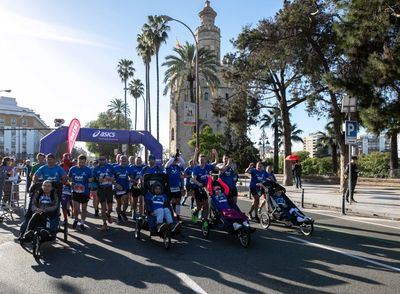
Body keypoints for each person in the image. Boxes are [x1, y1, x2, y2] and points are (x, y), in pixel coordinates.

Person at [191, 148, 218, 223]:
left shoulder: (208, 166)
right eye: (201, 160)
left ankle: (204, 220)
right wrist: (199, 184)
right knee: (199, 206)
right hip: (198, 188)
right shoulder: (196, 168)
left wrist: (215, 154)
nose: (202, 161)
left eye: (203, 160)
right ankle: (195, 212)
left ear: (206, 160)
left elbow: (216, 162)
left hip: (206, 188)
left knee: (206, 205)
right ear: (198, 160)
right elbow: (193, 179)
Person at [68, 154, 93, 231]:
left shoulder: (88, 169)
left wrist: (90, 180)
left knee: (84, 209)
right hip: (75, 191)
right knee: (76, 209)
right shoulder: (72, 169)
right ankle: (76, 219)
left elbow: (91, 179)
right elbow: (69, 178)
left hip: (85, 192)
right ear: (77, 161)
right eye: (80, 162)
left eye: (83, 162)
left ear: (85, 162)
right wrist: (70, 183)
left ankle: (82, 223)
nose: (81, 164)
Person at [92, 156, 115, 231]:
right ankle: (104, 223)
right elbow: (93, 178)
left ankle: (108, 215)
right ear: (99, 160)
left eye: (103, 159)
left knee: (110, 208)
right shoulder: (96, 168)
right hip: (101, 189)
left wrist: (111, 179)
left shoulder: (110, 167)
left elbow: (115, 176)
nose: (102, 161)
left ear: (106, 160)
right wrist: (98, 179)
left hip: (109, 189)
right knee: (103, 207)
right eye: (100, 160)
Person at [165, 151, 185, 221]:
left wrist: (178, 156)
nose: (175, 161)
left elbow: (183, 163)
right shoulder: (168, 167)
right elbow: (167, 164)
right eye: (174, 160)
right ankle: (173, 214)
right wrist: (173, 157)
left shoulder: (178, 167)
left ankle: (178, 215)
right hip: (170, 187)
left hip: (177, 187)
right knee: (173, 201)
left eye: (176, 160)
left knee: (178, 201)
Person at [113, 155, 130, 223]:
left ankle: (123, 212)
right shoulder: (115, 168)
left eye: (124, 161)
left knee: (126, 202)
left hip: (125, 188)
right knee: (119, 204)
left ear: (126, 161)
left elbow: (131, 176)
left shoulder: (128, 168)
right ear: (119, 161)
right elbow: (111, 179)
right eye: (121, 161)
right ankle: (119, 216)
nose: (123, 162)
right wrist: (116, 184)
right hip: (117, 189)